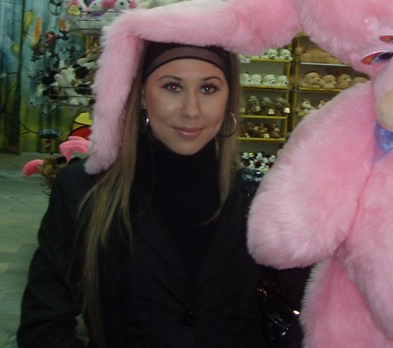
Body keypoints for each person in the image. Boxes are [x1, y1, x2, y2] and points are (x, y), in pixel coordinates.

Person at [17, 41, 304, 348]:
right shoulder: (85, 191)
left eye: (208, 89)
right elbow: (44, 328)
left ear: (228, 97)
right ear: (142, 94)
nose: (191, 110)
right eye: (172, 87)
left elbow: (309, 308)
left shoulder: (258, 199)